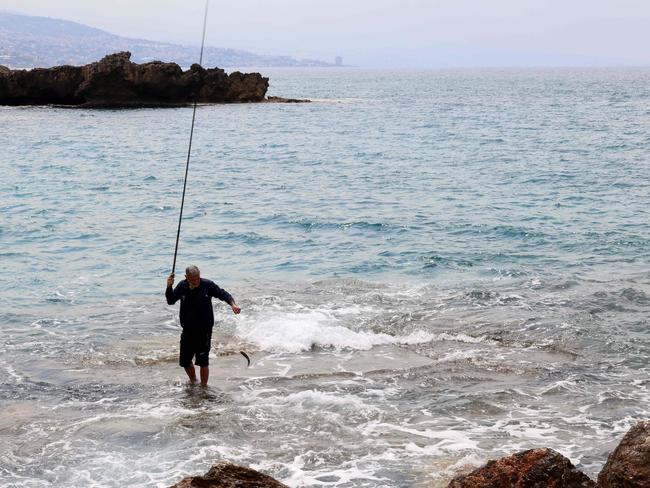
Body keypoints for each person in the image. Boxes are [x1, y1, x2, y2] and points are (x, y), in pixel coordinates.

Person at [166, 265, 241, 387]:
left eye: (197, 278)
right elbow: (170, 301)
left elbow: (223, 294)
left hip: (204, 330)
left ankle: (204, 386)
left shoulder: (207, 285)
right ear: (186, 278)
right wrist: (169, 286)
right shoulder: (182, 286)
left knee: (203, 361)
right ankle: (194, 380)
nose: (196, 282)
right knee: (185, 361)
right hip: (188, 330)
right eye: (192, 279)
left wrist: (233, 304)